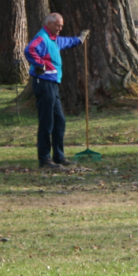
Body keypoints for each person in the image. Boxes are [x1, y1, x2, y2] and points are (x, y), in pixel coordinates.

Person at [24, 13, 88, 168]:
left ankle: (59, 157)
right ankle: (44, 160)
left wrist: (79, 39)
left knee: (59, 121)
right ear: (50, 24)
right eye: (58, 25)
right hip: (43, 82)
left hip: (52, 83)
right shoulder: (43, 37)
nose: (60, 29)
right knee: (47, 121)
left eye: (61, 26)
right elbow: (29, 49)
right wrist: (39, 64)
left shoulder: (54, 39)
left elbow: (66, 41)